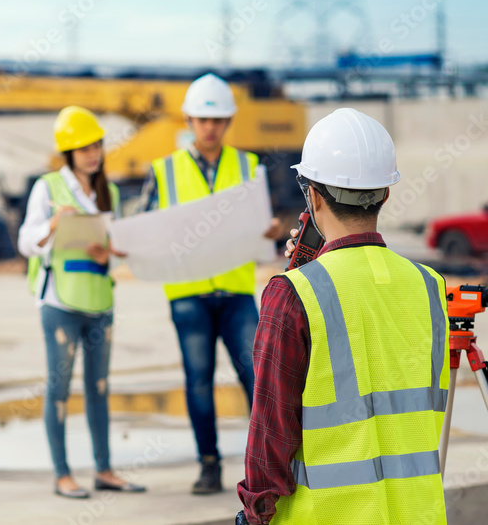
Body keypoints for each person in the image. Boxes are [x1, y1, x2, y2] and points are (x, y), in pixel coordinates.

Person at [236, 108, 449, 525]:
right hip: (418, 514)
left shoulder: (293, 295)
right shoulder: (431, 286)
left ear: (312, 195)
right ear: (386, 193)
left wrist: (255, 511)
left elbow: (270, 433)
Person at [138, 73, 283, 494]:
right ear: (188, 120)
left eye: (217, 119)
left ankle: (266, 467)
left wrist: (271, 231)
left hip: (236, 291)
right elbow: (145, 225)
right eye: (203, 119)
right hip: (187, 295)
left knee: (255, 377)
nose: (210, 127)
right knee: (198, 380)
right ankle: (208, 465)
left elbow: (262, 225)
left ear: (228, 121)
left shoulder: (248, 166)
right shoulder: (164, 170)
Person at [18, 106, 145, 499]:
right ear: (68, 152)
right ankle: (62, 474)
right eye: (83, 147)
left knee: (100, 387)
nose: (93, 153)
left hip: (99, 301)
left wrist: (110, 254)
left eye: (97, 145)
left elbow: (117, 246)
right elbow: (25, 242)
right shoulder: (48, 188)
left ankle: (104, 470)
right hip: (60, 302)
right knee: (59, 388)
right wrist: (53, 225)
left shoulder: (111, 193)